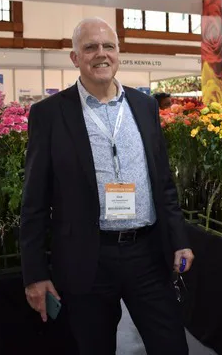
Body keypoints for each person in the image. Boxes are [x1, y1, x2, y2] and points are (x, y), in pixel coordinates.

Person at [20, 17, 194, 355]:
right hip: (87, 258)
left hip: (147, 254)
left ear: (118, 53)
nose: (101, 54)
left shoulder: (144, 106)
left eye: (108, 46)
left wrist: (179, 241)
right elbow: (34, 202)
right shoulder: (50, 114)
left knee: (171, 345)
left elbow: (163, 183)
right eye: (90, 47)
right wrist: (35, 273)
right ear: (75, 58)